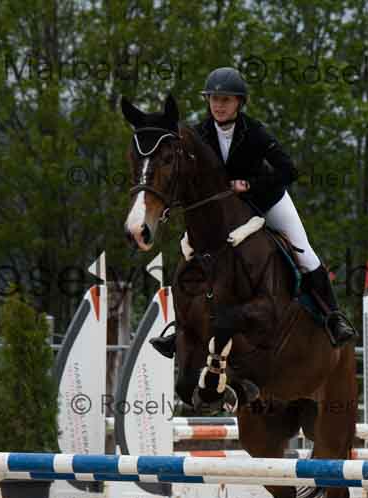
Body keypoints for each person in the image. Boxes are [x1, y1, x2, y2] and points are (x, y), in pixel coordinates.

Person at [150, 66, 356, 358]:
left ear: (239, 102)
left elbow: (288, 170)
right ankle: (181, 329)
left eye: (226, 99)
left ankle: (333, 317)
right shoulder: (199, 133)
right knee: (189, 255)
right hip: (223, 212)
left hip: (265, 201)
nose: (219, 105)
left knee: (304, 252)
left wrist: (249, 185)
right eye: (214, 99)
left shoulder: (255, 132)